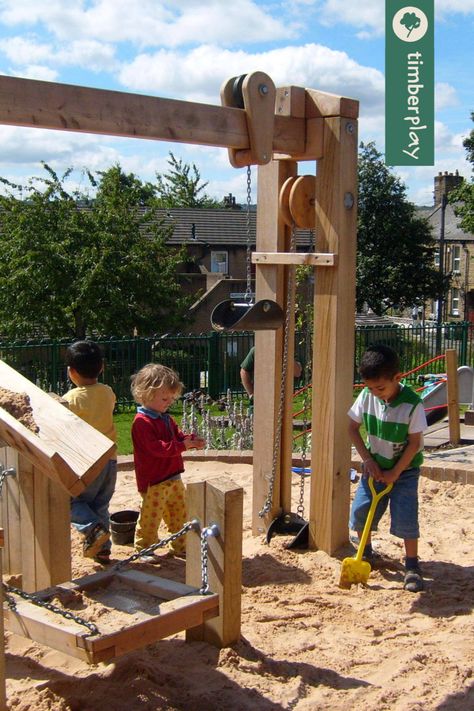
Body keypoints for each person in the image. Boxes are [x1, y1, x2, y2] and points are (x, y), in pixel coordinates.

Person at [348, 344, 427, 593]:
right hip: (374, 468)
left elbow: (414, 444)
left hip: (405, 471)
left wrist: (396, 473)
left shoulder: (412, 404)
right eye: (370, 388)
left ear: (397, 378)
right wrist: (368, 461)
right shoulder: (367, 396)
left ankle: (412, 566)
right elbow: (352, 428)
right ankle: (366, 552)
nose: (375, 393)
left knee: (405, 516)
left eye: (380, 388)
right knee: (361, 511)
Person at [130, 363, 205, 563]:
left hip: (173, 475)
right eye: (164, 398)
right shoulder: (142, 423)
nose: (168, 402)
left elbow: (177, 438)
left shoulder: (166, 419)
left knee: (179, 512)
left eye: (171, 399)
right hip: (154, 480)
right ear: (146, 394)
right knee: (150, 517)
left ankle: (180, 545)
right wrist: (183, 446)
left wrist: (190, 440)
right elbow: (158, 449)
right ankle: (144, 547)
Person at [63, 340, 117, 565]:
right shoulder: (108, 392)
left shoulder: (71, 399)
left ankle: (91, 529)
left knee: (71, 503)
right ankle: (102, 550)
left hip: (85, 463)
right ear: (102, 367)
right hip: (110, 461)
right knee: (100, 505)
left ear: (71, 372)